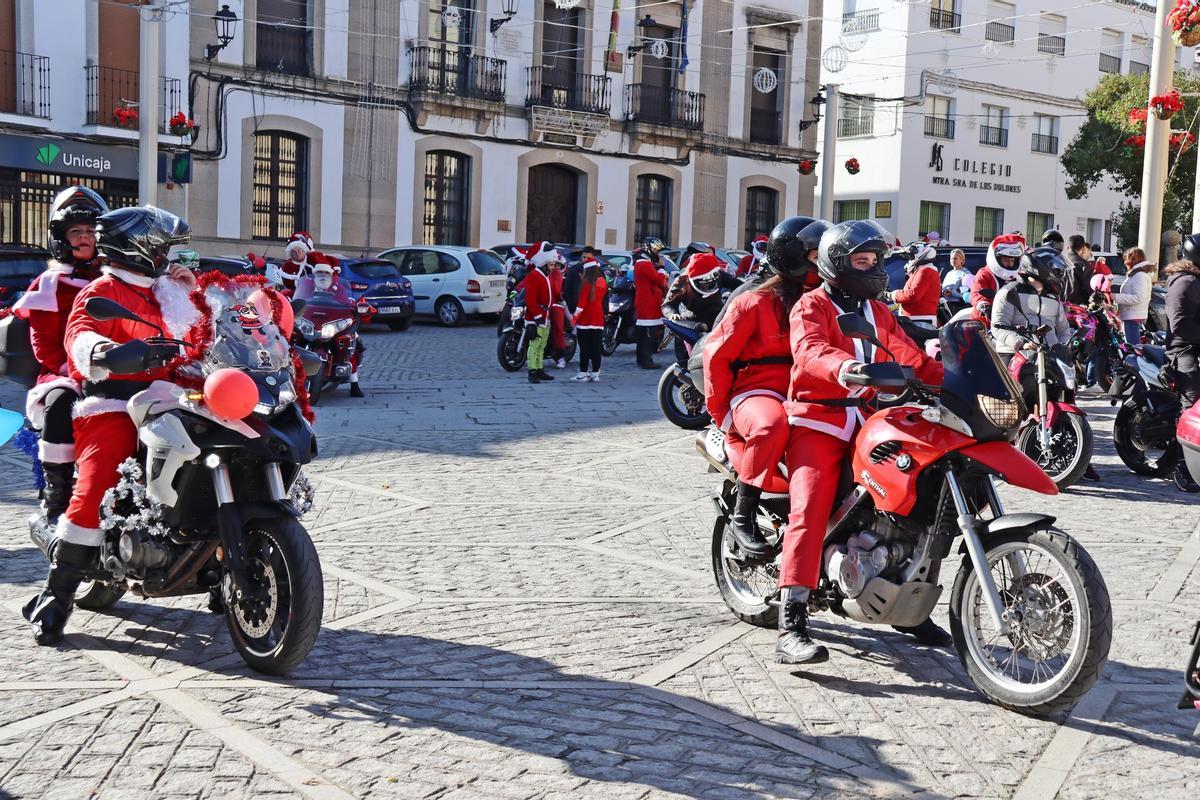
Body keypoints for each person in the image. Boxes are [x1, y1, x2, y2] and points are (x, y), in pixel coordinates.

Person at [23, 206, 197, 645]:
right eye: (160, 247)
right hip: (115, 400)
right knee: (101, 475)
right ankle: (57, 594)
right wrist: (103, 353)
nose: (167, 255)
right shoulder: (103, 290)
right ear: (136, 248)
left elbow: (205, 332)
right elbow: (79, 334)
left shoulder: (169, 290)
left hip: (174, 396)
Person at [779, 220, 946, 664]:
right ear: (836, 264)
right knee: (811, 503)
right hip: (820, 418)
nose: (872, 269)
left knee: (920, 487)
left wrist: (954, 379)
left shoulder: (879, 312)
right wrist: (846, 368)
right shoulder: (811, 305)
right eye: (861, 261)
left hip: (870, 417)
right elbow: (810, 349)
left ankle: (903, 594)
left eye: (875, 261)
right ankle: (791, 616)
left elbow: (906, 353)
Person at [702, 217, 825, 558]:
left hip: (813, 392)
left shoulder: (828, 301)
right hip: (760, 391)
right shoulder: (752, 303)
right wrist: (721, 413)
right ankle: (744, 515)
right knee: (772, 425)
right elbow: (716, 356)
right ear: (795, 257)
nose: (825, 261)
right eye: (817, 255)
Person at [12, 187, 108, 527]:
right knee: (59, 401)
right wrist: (80, 370)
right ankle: (57, 494)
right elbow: (46, 348)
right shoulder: (50, 283)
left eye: (89, 231)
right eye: (75, 232)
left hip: (119, 368)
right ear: (62, 238)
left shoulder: (114, 278)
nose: (84, 238)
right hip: (66, 371)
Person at [662, 252, 740, 366]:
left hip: (716, 323)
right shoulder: (682, 282)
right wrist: (672, 315)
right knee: (689, 363)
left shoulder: (720, 275)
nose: (709, 283)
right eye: (704, 282)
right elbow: (667, 305)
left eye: (712, 280)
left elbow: (740, 285)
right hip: (691, 326)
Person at [1166, 237, 1200, 491]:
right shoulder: (1185, 283)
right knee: (1192, 403)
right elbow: (1179, 324)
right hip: (1183, 350)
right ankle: (1182, 466)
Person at [518, 242, 556, 383]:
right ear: (544, 263)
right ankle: (532, 371)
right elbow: (530, 299)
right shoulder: (534, 275)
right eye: (551, 265)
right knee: (534, 345)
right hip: (536, 317)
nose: (553, 268)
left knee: (542, 345)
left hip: (545, 317)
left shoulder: (545, 275)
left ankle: (540, 369)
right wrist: (538, 316)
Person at [971, 233, 1025, 323]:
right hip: (984, 322)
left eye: (1013, 260)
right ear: (997, 258)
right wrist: (983, 305)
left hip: (1010, 321)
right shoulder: (984, 273)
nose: (1010, 264)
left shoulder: (1019, 276)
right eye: (1006, 260)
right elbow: (976, 292)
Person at [887, 243, 940, 325]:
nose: (909, 260)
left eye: (911, 257)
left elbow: (913, 295)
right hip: (916, 319)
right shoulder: (922, 270)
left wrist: (892, 295)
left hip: (920, 320)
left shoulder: (926, 270)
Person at [633, 248, 669, 369]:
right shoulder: (645, 264)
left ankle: (641, 358)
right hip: (649, 303)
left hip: (644, 301)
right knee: (649, 334)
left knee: (643, 334)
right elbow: (659, 280)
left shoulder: (639, 264)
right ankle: (646, 360)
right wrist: (662, 268)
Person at [572, 261, 607, 382]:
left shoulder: (586, 284)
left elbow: (581, 304)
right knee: (596, 348)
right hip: (598, 318)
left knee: (584, 348)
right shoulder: (602, 281)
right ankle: (595, 373)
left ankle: (583, 373)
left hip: (585, 320)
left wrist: (574, 318)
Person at [1112, 247, 1155, 345]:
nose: (1124, 262)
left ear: (1133, 259)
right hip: (1133, 315)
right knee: (1133, 345)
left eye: (1126, 259)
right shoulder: (1138, 275)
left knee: (1133, 347)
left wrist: (1115, 297)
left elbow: (1138, 297)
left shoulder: (1139, 276)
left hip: (1132, 316)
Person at [1062, 235, 1095, 306]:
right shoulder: (1083, 264)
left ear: (1069, 246)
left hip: (1059, 304)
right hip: (1077, 307)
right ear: (1083, 248)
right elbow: (1090, 287)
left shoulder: (1059, 260)